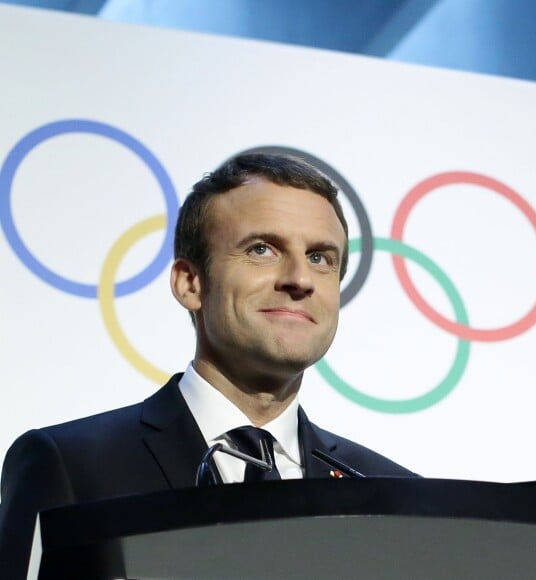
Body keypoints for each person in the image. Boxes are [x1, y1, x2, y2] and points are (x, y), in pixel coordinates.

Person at [0, 153, 417, 577]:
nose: (300, 279)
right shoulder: (73, 465)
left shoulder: (397, 496)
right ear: (190, 283)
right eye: (262, 249)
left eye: (320, 258)